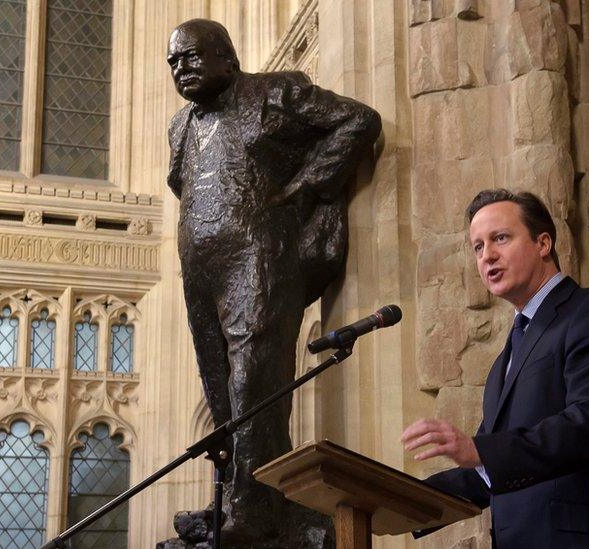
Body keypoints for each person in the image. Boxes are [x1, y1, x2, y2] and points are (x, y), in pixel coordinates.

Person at [166, 19, 381, 545]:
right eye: (173, 62)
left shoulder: (274, 93)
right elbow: (184, 185)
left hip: (259, 258)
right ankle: (234, 498)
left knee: (254, 383)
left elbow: (357, 120)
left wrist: (306, 185)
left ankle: (258, 512)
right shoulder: (181, 125)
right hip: (201, 268)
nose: (181, 69)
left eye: (191, 57)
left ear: (227, 57)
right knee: (220, 389)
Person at [401, 189, 589, 548]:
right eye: (477, 247)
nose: (487, 255)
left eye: (500, 238)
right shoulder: (502, 364)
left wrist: (480, 449)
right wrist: (399, 499)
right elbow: (486, 475)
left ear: (543, 243)